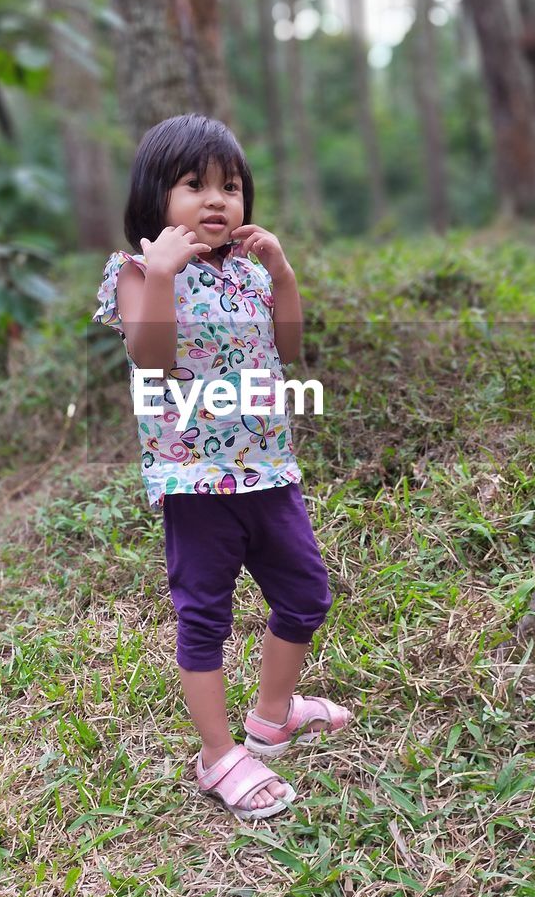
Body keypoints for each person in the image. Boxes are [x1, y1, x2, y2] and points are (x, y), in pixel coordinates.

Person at [92, 114, 351, 820]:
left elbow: (290, 348)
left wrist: (282, 271)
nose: (216, 200)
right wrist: (168, 272)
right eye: (193, 185)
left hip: (269, 470)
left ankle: (272, 717)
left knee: (305, 593)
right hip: (195, 481)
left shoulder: (243, 273)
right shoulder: (138, 272)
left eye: (230, 187)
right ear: (155, 199)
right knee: (204, 615)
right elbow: (150, 355)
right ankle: (216, 755)